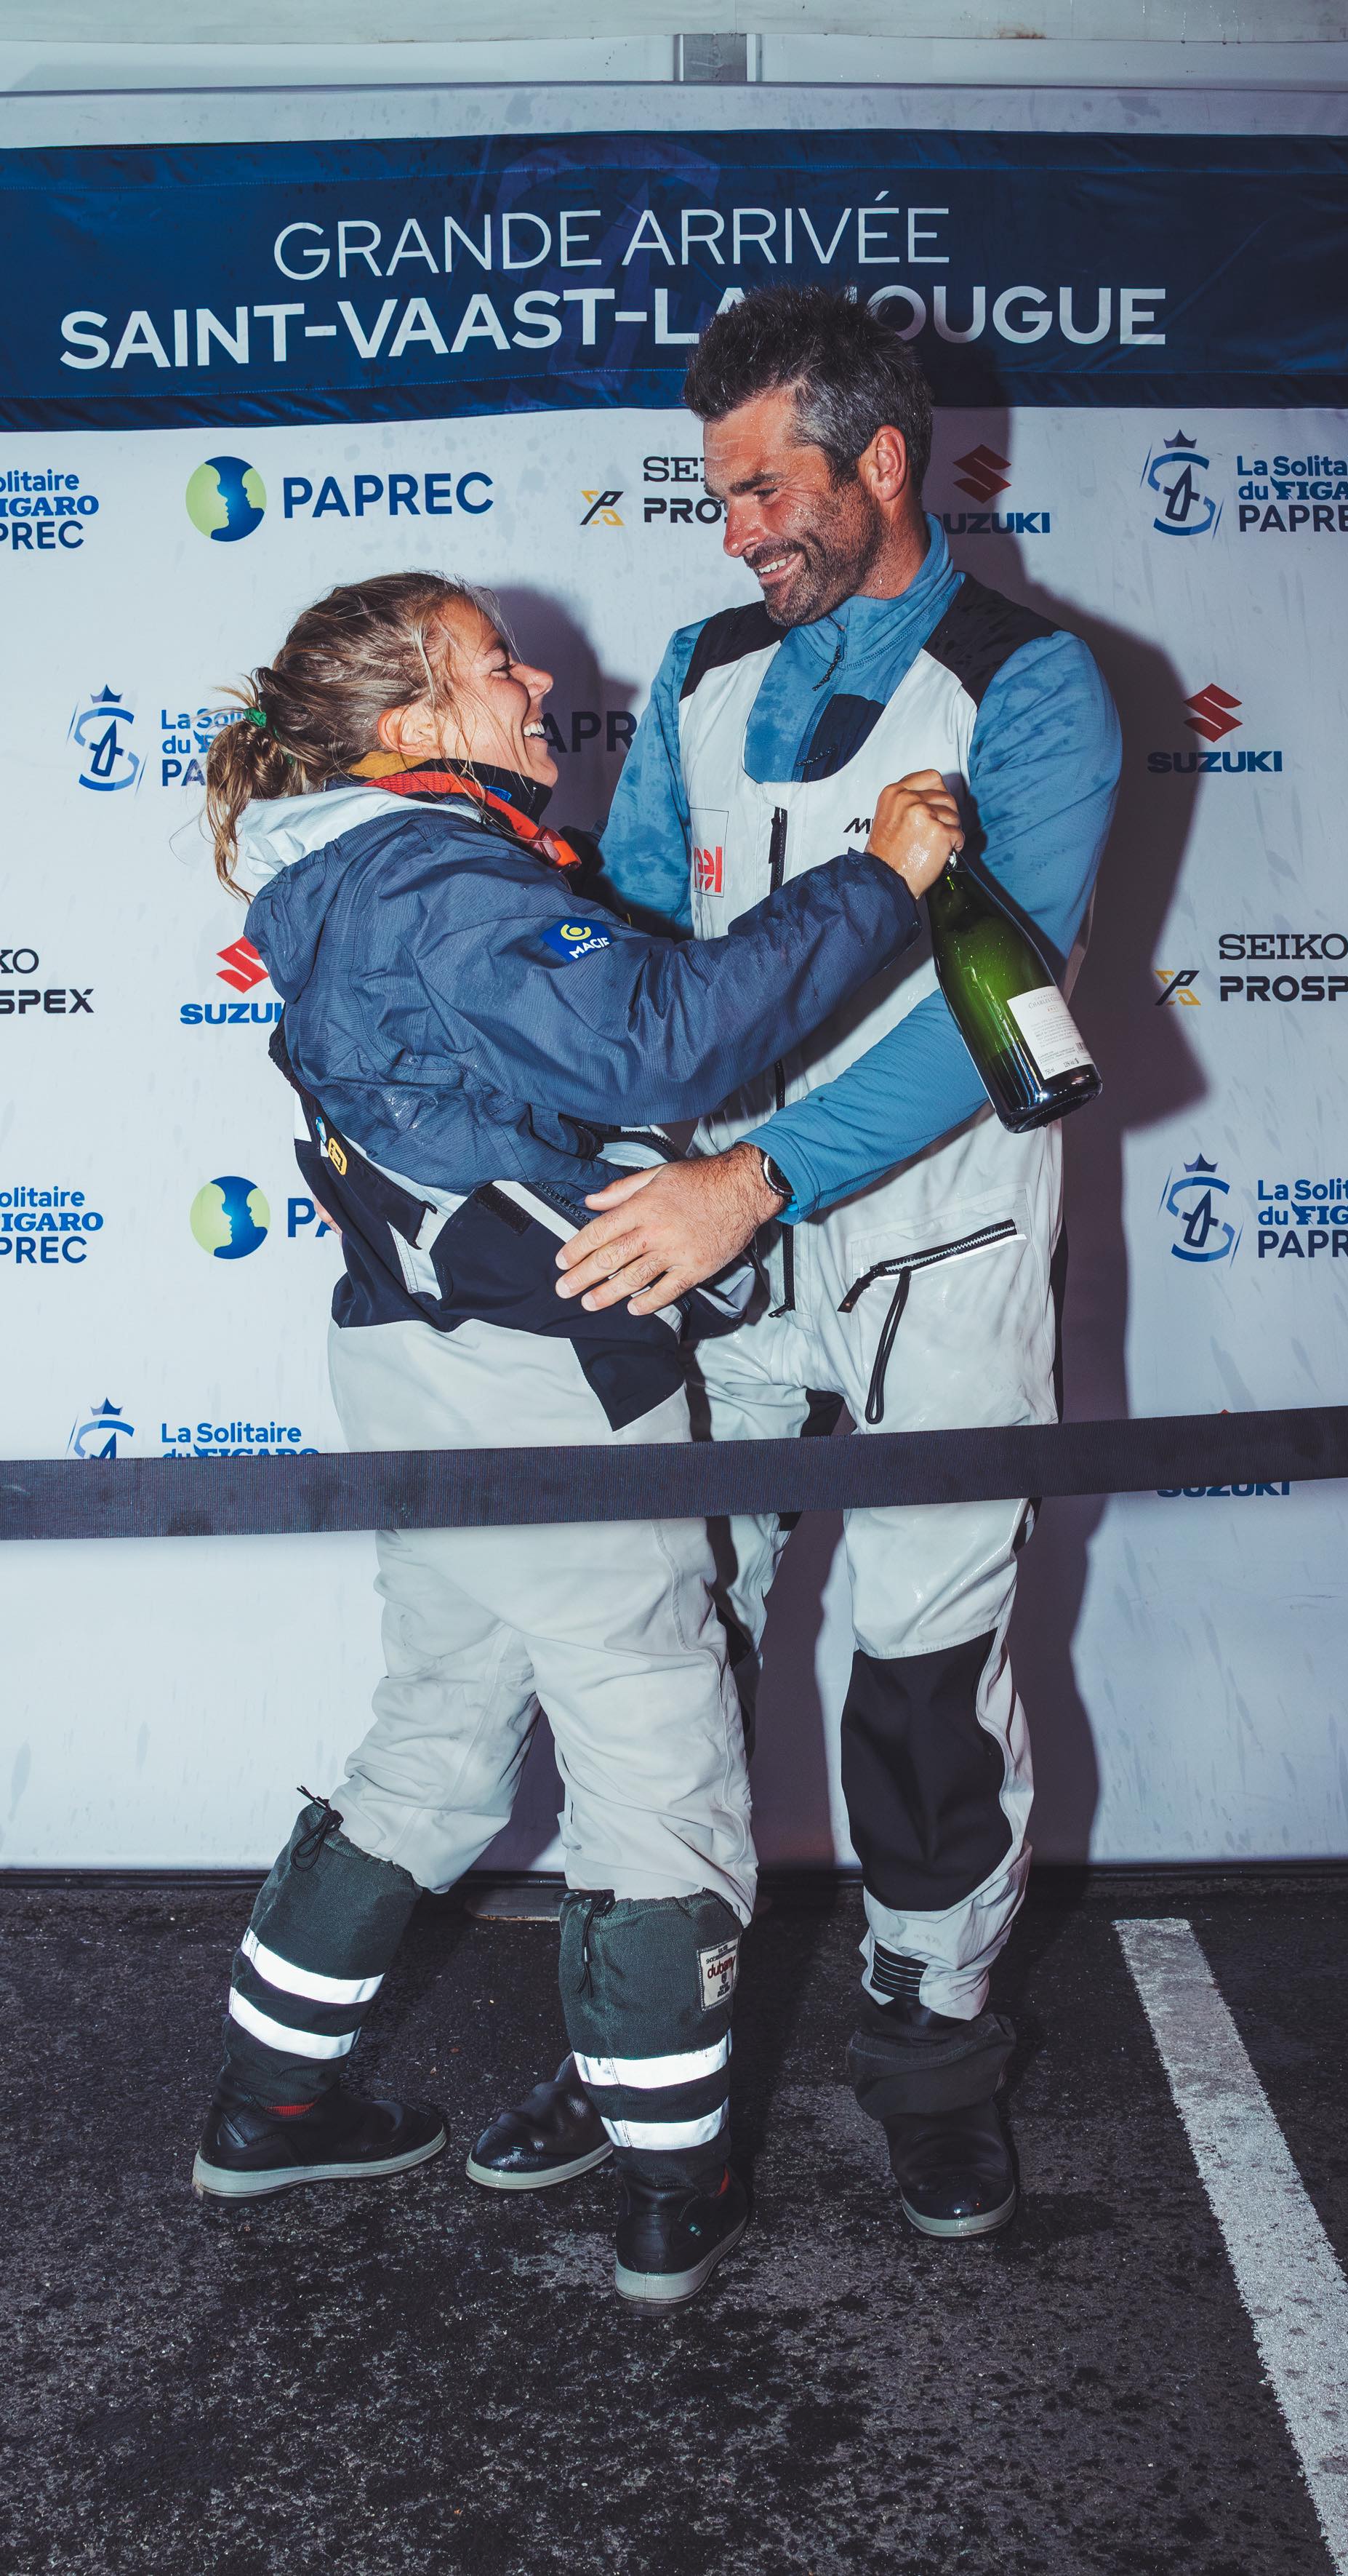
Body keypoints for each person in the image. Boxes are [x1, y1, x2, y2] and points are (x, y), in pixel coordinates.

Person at [190, 567, 962, 2306]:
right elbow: (660, 1032)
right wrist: (882, 879)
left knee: (439, 1737)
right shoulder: (433, 875)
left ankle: (268, 2101)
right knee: (657, 1753)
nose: (535, 678)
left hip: (416, 1368)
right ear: (411, 725)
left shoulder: (354, 869)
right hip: (537, 1384)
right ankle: (673, 2188)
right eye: (491, 665)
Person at [493, 286, 1123, 2240]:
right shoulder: (689, 667)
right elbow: (661, 965)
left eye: (768, 481)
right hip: (721, 1232)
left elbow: (985, 1018)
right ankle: (639, 2035)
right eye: (717, 485)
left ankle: (931, 2043)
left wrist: (754, 1175)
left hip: (933, 1230)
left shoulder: (1033, 684)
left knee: (927, 1674)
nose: (736, 520)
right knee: (667, 1646)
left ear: (879, 459)